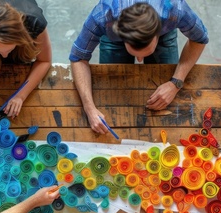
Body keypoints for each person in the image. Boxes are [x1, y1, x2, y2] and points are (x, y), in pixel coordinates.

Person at [70, 0, 209, 135]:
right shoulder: (104, 15)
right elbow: (78, 57)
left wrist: (176, 83)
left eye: (145, 53)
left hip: (164, 30)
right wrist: (89, 109)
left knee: (169, 101)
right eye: (135, 54)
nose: (139, 61)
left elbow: (200, 38)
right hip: (114, 31)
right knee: (111, 94)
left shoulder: (174, 9)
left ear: (156, 35)